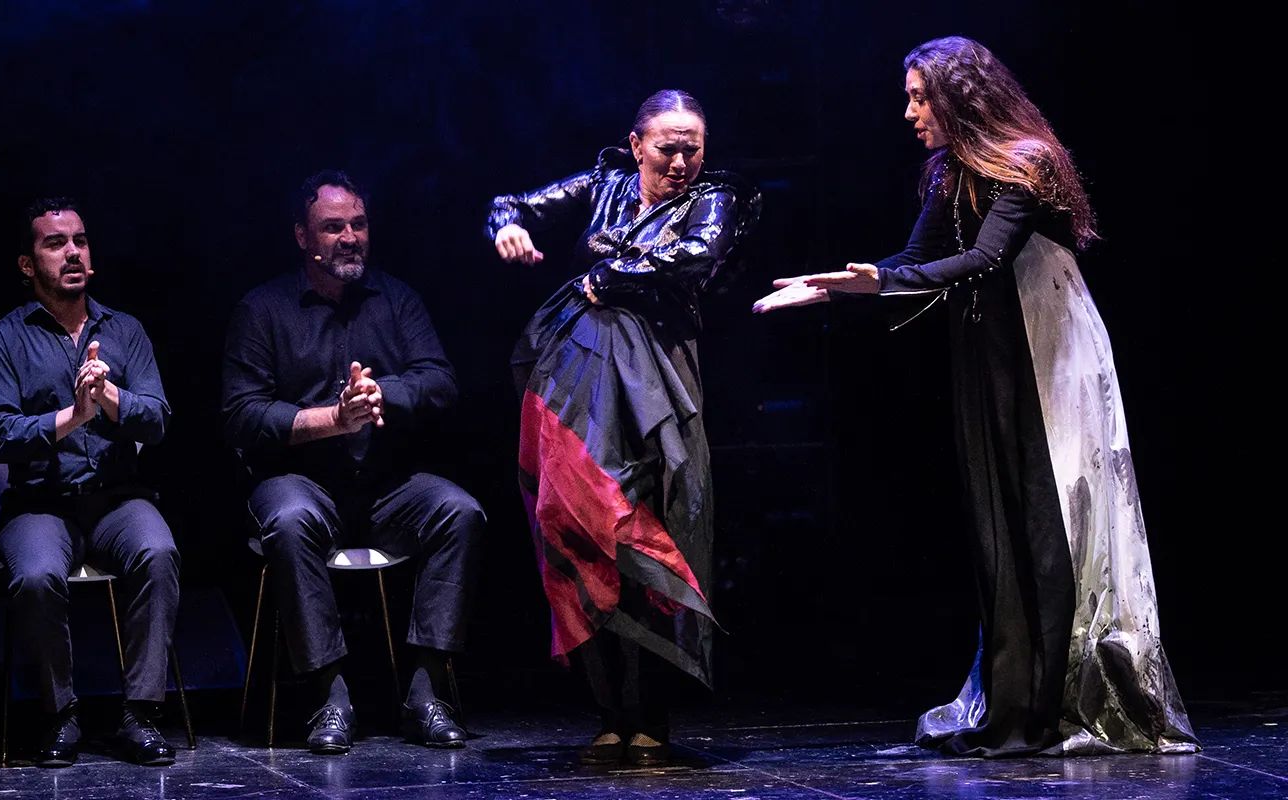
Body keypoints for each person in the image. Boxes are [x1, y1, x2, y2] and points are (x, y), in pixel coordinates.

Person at [753, 36, 1199, 757]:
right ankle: (1012, 701)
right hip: (987, 355)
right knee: (999, 524)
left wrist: (882, 282)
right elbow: (913, 260)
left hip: (1048, 350)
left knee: (1057, 522)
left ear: (962, 96)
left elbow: (986, 257)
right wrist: (836, 284)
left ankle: (1062, 699)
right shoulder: (945, 172)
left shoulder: (1025, 161)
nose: (908, 112)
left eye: (919, 96)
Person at [486, 90, 760, 766]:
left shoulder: (713, 197)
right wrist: (506, 228)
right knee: (578, 521)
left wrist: (607, 272)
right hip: (578, 364)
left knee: (646, 521)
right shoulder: (605, 181)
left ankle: (651, 712)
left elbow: (696, 254)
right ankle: (610, 709)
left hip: (654, 373)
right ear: (636, 144)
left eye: (692, 146)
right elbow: (513, 203)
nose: (680, 159)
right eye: (666, 145)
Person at [222, 170, 484, 755]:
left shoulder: (398, 299)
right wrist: (333, 419)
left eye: (359, 224)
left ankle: (425, 691)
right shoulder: (262, 310)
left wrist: (380, 397)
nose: (349, 237)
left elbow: (442, 381)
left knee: (460, 512)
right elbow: (241, 416)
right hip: (300, 483)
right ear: (302, 236)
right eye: (333, 226)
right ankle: (329, 695)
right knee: (287, 523)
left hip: (389, 485)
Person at [0, 197, 180, 767]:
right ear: (26, 263)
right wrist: (73, 417)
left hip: (117, 498)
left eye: (81, 241)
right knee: (38, 575)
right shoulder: (2, 340)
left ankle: (140, 715)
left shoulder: (126, 331)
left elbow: (159, 419)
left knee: (158, 552)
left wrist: (110, 400)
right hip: (39, 504)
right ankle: (60, 716)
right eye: (55, 243)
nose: (73, 253)